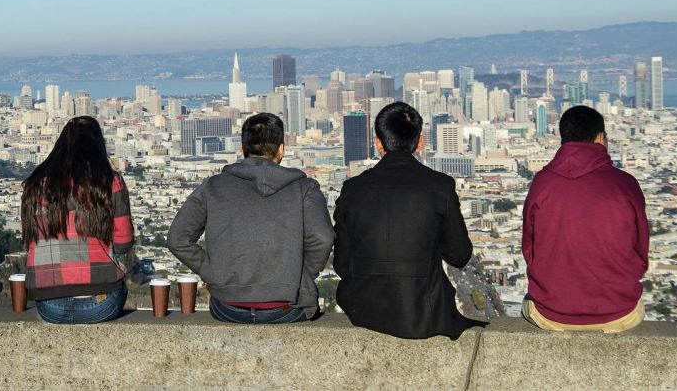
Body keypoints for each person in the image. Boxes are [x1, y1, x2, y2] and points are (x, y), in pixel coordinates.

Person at [334, 102, 484, 339]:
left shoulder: (352, 190)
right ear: (420, 142)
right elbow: (459, 255)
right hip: (424, 314)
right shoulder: (439, 187)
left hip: (363, 311)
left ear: (378, 143)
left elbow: (342, 265)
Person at [167, 112, 335, 324]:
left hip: (228, 307)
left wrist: (211, 272)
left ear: (242, 149)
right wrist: (300, 278)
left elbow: (177, 238)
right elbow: (323, 237)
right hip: (287, 307)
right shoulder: (304, 188)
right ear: (281, 149)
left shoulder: (213, 187)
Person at [522, 105, 649, 333]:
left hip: (550, 313)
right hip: (619, 312)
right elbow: (640, 251)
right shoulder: (625, 184)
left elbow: (529, 249)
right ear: (600, 138)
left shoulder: (542, 184)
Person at [21, 116, 134, 324]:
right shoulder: (110, 181)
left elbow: (30, 242)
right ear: (99, 145)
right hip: (102, 303)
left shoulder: (34, 184)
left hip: (49, 305)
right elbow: (124, 244)